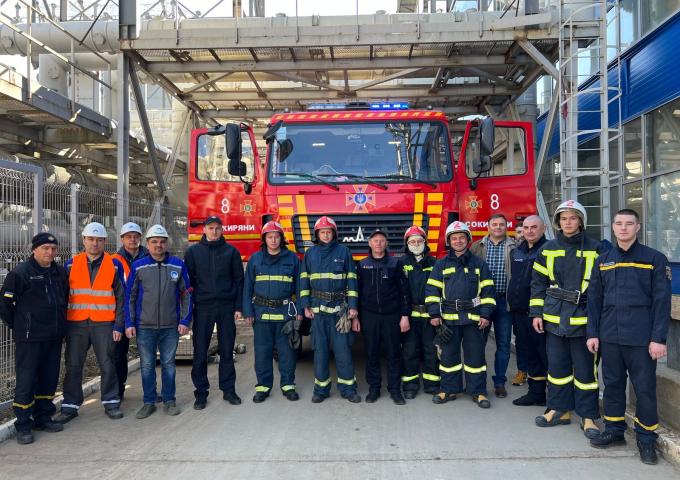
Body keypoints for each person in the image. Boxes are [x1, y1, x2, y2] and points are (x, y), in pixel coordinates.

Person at [587, 209, 672, 465]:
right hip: (610, 335)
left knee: (644, 389)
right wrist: (593, 333)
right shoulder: (603, 260)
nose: (623, 228)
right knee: (612, 385)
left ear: (637, 227)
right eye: (619, 223)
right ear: (613, 227)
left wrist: (659, 338)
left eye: (629, 224)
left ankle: (646, 440)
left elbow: (661, 302)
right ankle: (614, 431)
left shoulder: (654, 259)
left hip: (641, 338)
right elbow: (594, 300)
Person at [530, 200, 602, 439]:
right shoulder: (547, 249)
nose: (567, 222)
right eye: (563, 218)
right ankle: (559, 410)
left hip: (584, 321)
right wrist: (536, 314)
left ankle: (588, 416)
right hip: (554, 319)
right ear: (557, 222)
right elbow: (538, 285)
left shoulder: (598, 248)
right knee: (557, 369)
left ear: (581, 220)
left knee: (585, 373)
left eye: (572, 217)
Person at [0, 233, 68, 444]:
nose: (50, 252)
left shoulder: (59, 272)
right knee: (26, 381)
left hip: (53, 336)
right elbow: (5, 305)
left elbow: (64, 298)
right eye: (45, 248)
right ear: (34, 250)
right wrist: (21, 325)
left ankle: (43, 417)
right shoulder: (20, 273)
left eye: (53, 249)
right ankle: (23, 425)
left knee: (49, 379)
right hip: (29, 339)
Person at [55, 222, 126, 423]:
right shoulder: (70, 265)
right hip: (76, 323)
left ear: (105, 242)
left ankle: (111, 401)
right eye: (91, 239)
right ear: (83, 240)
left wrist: (119, 325)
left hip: (104, 323)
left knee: (107, 363)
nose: (95, 243)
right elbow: (62, 298)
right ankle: (70, 405)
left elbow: (122, 297)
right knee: (74, 364)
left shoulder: (114, 265)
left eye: (99, 240)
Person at [425, 221, 496, 408]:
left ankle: (478, 392)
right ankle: (448, 389)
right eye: (454, 238)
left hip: (473, 320)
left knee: (476, 358)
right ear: (449, 241)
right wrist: (434, 314)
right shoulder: (441, 265)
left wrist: (486, 315)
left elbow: (488, 293)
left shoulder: (480, 264)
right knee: (448, 357)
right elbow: (432, 291)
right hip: (448, 319)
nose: (458, 241)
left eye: (461, 237)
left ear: (468, 240)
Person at [125, 224, 192, 419]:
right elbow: (130, 295)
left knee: (169, 365)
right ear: (147, 244)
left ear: (167, 243)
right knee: (146, 366)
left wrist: (185, 320)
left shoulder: (178, 265)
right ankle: (149, 401)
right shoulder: (138, 266)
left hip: (171, 326)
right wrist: (129, 323)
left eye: (162, 242)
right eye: (154, 242)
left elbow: (187, 294)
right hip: (145, 326)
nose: (158, 245)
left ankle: (170, 400)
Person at [298, 216, 361, 403]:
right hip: (318, 312)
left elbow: (352, 280)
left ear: (334, 233)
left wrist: (353, 307)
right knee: (320, 352)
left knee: (343, 352)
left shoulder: (344, 252)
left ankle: (348, 389)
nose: (326, 235)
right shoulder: (310, 254)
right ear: (317, 234)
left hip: (339, 311)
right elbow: (303, 281)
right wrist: (305, 305)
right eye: (322, 232)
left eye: (329, 231)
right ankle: (321, 390)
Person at [184, 215, 244, 409]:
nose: (214, 231)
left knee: (227, 350)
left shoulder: (231, 252)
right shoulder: (193, 253)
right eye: (211, 228)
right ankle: (201, 393)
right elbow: (188, 284)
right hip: (203, 308)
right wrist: (189, 311)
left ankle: (228, 390)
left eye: (218, 228)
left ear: (222, 230)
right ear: (204, 230)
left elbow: (239, 281)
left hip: (226, 307)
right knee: (200, 351)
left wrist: (238, 307)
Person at [243, 221, 301, 403]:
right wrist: (247, 311)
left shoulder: (292, 259)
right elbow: (247, 288)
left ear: (282, 239)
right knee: (262, 353)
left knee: (286, 352)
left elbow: (300, 287)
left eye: (277, 236)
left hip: (285, 314)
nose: (273, 240)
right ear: (264, 239)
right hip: (261, 314)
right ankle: (263, 387)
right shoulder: (255, 259)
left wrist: (299, 309)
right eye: (270, 237)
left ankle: (288, 385)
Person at [356, 229, 410, 405]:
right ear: (369, 244)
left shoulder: (395, 264)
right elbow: (356, 293)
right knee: (371, 354)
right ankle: (374, 389)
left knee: (394, 354)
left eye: (382, 241)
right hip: (369, 316)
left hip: (392, 316)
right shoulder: (362, 265)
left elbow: (404, 292)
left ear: (386, 244)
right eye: (375, 241)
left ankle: (395, 390)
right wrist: (355, 317)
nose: (378, 244)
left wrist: (404, 316)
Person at [470, 213, 516, 397]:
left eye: (501, 224)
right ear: (488, 226)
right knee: (478, 343)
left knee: (503, 344)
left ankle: (499, 382)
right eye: (494, 224)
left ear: (506, 226)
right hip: (482, 301)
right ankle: (478, 381)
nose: (498, 227)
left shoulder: (514, 246)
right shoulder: (477, 246)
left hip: (505, 301)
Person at [508, 216, 549, 407]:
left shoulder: (549, 250)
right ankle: (536, 393)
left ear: (544, 228)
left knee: (544, 355)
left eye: (534, 227)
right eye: (526, 227)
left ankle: (555, 398)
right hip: (519, 313)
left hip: (539, 314)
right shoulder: (517, 251)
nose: (530, 231)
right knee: (528, 354)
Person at [111, 222, 148, 402]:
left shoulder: (150, 256)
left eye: (135, 236)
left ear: (140, 238)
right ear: (122, 239)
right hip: (122, 313)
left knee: (147, 355)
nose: (132, 240)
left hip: (145, 312)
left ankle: (150, 392)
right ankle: (118, 390)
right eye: (128, 236)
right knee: (119, 354)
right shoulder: (113, 260)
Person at [401, 225, 440, 398]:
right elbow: (399, 292)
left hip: (430, 317)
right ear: (407, 244)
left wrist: (436, 314)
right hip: (409, 316)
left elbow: (440, 290)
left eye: (419, 241)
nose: (416, 244)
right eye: (412, 241)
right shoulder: (401, 264)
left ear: (425, 242)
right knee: (410, 351)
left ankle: (432, 385)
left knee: (430, 351)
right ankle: (410, 386)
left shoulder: (435, 264)